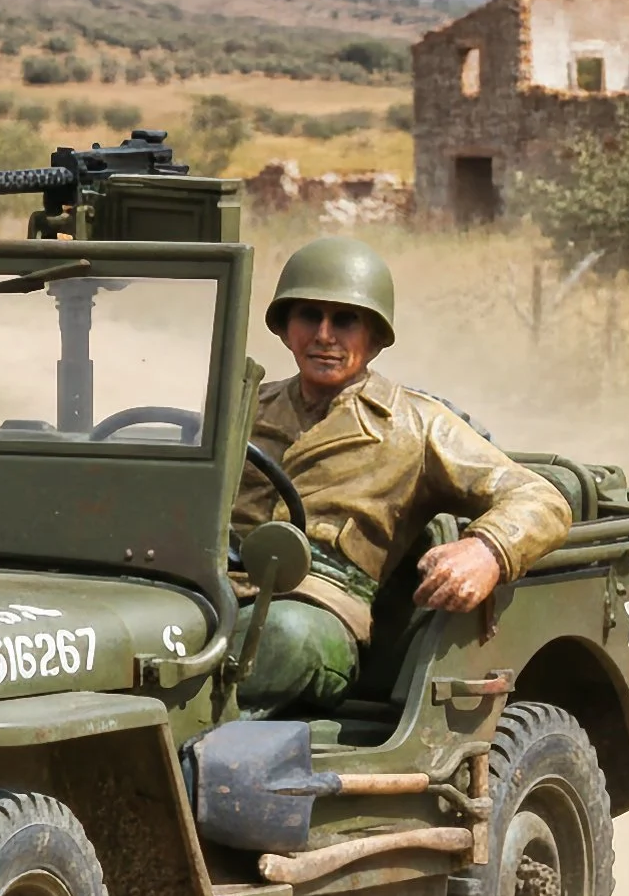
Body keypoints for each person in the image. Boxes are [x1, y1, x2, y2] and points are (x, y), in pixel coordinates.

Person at [232, 236, 573, 715]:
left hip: (320, 614)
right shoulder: (242, 408)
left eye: (345, 320)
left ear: (374, 336)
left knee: (276, 637)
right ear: (286, 329)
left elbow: (542, 498)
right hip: (219, 589)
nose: (324, 335)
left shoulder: (416, 424)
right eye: (309, 316)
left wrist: (487, 550)